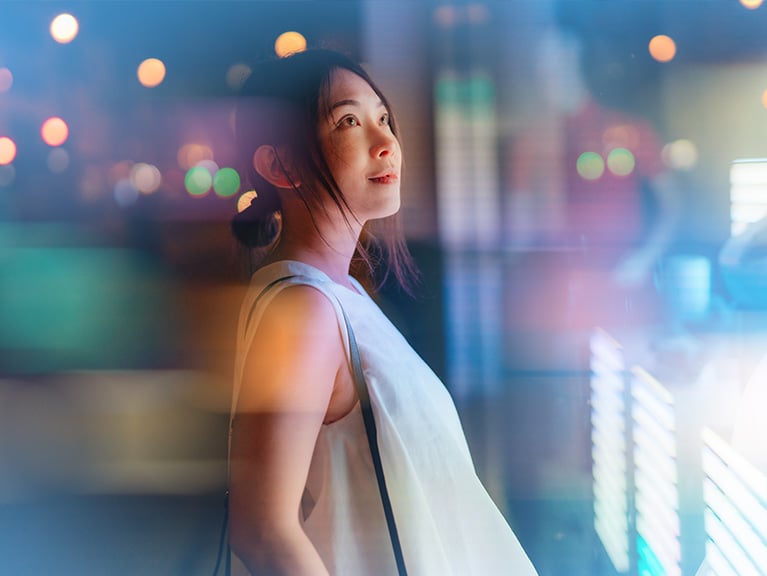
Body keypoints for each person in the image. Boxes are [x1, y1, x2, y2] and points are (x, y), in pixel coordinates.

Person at [227, 49, 538, 575]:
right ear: (279, 164)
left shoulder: (339, 293)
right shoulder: (305, 308)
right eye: (349, 121)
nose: (387, 142)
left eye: (383, 118)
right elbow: (262, 531)